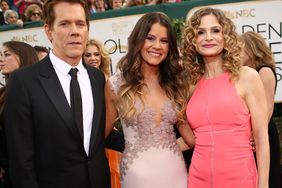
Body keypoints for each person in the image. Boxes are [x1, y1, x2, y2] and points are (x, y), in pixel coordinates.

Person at [4, 1, 122, 188]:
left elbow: (98, 137)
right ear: (48, 31)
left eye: (80, 24)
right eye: (65, 23)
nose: (74, 31)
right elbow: (20, 160)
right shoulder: (24, 82)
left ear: (87, 30)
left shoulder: (98, 78)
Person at [105, 12, 194, 188]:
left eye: (164, 41)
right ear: (138, 40)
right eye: (150, 38)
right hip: (137, 178)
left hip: (175, 173)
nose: (157, 46)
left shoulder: (175, 84)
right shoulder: (117, 84)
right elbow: (100, 136)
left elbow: (190, 138)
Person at [182, 7, 270, 188]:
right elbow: (190, 137)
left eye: (215, 30)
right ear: (193, 41)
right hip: (198, 179)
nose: (208, 37)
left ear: (226, 36)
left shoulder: (247, 77)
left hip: (240, 178)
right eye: (200, 32)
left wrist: (264, 184)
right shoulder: (191, 85)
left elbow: (261, 139)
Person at [241, 31, 281, 188]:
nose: (236, 53)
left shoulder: (264, 70)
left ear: (251, 50)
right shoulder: (247, 74)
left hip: (262, 135)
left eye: (240, 49)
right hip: (253, 134)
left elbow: (268, 108)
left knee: (267, 178)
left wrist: (255, 133)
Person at [83, 38, 121, 188]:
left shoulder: (108, 78)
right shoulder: (80, 81)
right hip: (93, 137)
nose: (93, 58)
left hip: (109, 132)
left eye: (96, 54)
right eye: (88, 55)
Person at [0, 41, 39, 188]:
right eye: (1, 55)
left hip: (31, 175)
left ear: (24, 57)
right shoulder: (3, 93)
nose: (1, 59)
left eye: (7, 54)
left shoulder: (36, 93)